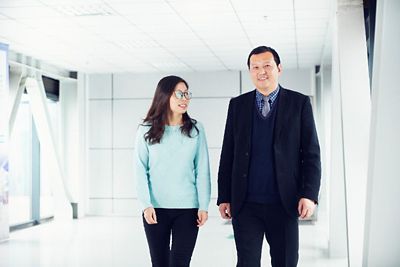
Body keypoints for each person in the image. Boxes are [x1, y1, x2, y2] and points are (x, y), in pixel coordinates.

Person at [217, 46, 321, 267]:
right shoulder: (238, 106)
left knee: (286, 262)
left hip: (285, 203)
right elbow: (228, 154)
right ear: (249, 71)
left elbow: (311, 154)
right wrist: (224, 196)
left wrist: (309, 195)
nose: (261, 71)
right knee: (246, 263)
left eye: (267, 66)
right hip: (245, 205)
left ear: (279, 68)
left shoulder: (299, 103)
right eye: (255, 67)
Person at [135, 75, 211, 267]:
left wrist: (203, 205)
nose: (184, 98)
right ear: (164, 96)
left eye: (187, 94)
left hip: (188, 210)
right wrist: (146, 204)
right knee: (159, 264)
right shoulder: (145, 130)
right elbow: (139, 170)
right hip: (155, 209)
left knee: (180, 263)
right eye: (179, 94)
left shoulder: (196, 130)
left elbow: (203, 170)